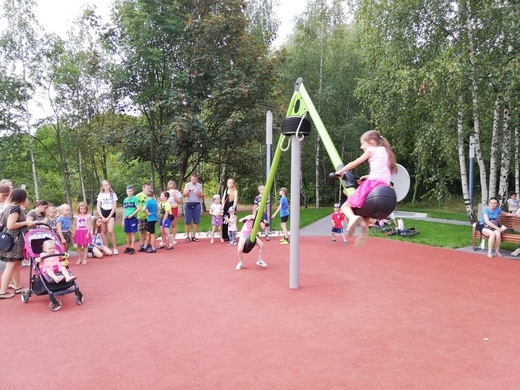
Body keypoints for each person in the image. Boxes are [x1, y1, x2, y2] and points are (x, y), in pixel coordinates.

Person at [335, 130, 398, 248]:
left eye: (362, 143)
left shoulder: (372, 150)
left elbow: (354, 163)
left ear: (371, 142)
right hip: (384, 186)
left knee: (345, 206)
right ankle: (364, 229)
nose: (361, 146)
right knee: (365, 209)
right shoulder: (386, 152)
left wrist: (340, 171)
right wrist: (367, 176)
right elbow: (382, 173)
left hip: (372, 184)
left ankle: (353, 219)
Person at [0, 188, 36, 299]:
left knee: (15, 264)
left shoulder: (9, 208)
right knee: (11, 265)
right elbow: (11, 225)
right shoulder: (15, 209)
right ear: (22, 198)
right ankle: (3, 291)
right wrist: (26, 222)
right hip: (14, 240)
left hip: (11, 240)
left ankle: (18, 286)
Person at [96, 180, 118, 254]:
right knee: (104, 231)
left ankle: (115, 248)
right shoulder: (100, 194)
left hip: (110, 213)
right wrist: (101, 216)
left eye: (107, 184)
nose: (106, 186)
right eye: (104, 185)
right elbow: (98, 206)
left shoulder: (113, 194)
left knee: (110, 231)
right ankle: (106, 247)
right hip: (102, 213)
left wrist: (109, 217)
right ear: (102, 186)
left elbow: (114, 206)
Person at [183, 173, 204, 242]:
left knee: (196, 221)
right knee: (188, 221)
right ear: (190, 179)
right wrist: (189, 191)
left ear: (197, 179)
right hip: (189, 203)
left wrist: (198, 193)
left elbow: (202, 195)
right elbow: (184, 195)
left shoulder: (199, 185)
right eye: (193, 179)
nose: (194, 180)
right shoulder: (187, 185)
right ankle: (187, 236)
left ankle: (194, 236)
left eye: (195, 179)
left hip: (197, 203)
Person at [122, 185, 139, 255]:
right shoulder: (125, 200)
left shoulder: (134, 199)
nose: (129, 192)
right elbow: (124, 210)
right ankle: (128, 246)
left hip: (133, 218)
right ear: (126, 191)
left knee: (133, 233)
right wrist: (123, 220)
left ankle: (132, 247)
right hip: (126, 218)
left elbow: (138, 208)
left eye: (130, 191)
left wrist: (132, 215)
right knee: (127, 233)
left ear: (133, 191)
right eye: (128, 191)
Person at [136, 183, 151, 252]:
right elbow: (134, 202)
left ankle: (148, 243)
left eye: (149, 188)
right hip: (141, 215)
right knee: (142, 231)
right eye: (147, 188)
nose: (149, 189)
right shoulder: (139, 195)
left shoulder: (151, 195)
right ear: (143, 188)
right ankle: (142, 244)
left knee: (149, 231)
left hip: (149, 216)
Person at [167, 180, 182, 245]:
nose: (171, 187)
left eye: (172, 185)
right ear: (167, 186)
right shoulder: (166, 193)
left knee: (173, 224)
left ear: (174, 186)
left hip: (174, 208)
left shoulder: (177, 192)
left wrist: (174, 196)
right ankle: (166, 239)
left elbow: (179, 201)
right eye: (169, 185)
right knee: (166, 225)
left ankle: (173, 239)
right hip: (167, 209)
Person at [143, 187, 158, 253]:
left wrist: (148, 213)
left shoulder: (148, 202)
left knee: (152, 234)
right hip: (154, 218)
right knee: (148, 233)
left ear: (147, 195)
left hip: (150, 219)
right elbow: (158, 209)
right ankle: (145, 246)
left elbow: (144, 209)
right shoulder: (154, 201)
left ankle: (153, 248)